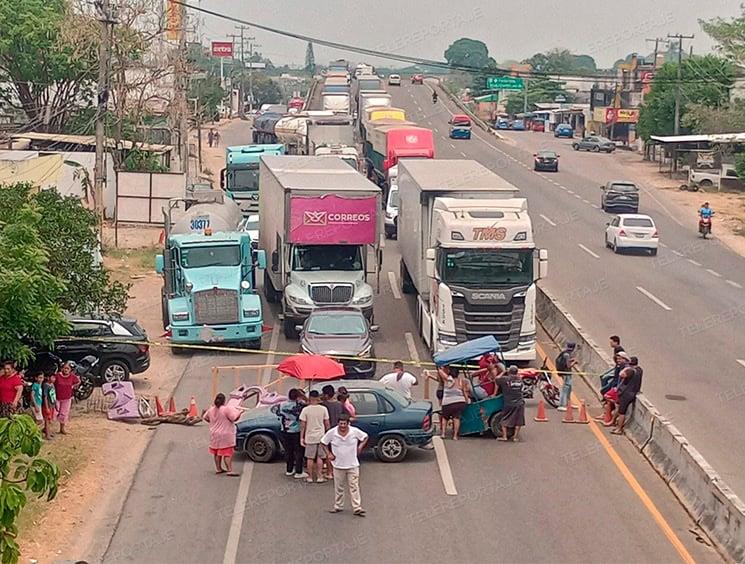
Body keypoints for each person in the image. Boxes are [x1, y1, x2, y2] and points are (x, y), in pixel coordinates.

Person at [321, 413, 368, 517]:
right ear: (338, 423)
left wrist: (360, 447)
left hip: (352, 464)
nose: (342, 426)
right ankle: (338, 506)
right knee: (339, 487)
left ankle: (357, 507)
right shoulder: (332, 432)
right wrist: (328, 453)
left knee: (354, 486)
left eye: (344, 424)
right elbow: (323, 442)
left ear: (348, 423)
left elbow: (365, 437)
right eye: (341, 424)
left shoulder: (354, 431)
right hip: (338, 465)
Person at [203, 393, 244, 476]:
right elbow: (234, 418)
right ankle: (229, 470)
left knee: (217, 452)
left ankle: (218, 468)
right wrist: (240, 412)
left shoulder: (211, 409)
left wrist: (212, 423)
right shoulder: (226, 409)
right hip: (225, 435)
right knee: (227, 452)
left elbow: (205, 417)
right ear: (224, 401)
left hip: (214, 434)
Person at [272, 388, 307, 479]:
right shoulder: (300, 405)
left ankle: (289, 469)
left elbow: (275, 411)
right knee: (298, 451)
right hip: (296, 431)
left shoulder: (282, 405)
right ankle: (298, 471)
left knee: (288, 451)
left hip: (285, 430)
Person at [299, 390, 330, 483]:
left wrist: (301, 437)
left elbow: (303, 425)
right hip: (321, 436)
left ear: (310, 398)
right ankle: (320, 476)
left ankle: (310, 477)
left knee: (310, 458)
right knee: (320, 457)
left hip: (310, 436)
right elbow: (327, 423)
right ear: (318, 398)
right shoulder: (323, 409)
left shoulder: (305, 410)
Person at [495, 366, 526, 442]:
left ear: (509, 372)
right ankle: (515, 437)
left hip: (509, 403)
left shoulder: (505, 379)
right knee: (518, 420)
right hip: (519, 403)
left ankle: (504, 436)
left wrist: (503, 372)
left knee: (504, 418)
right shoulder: (520, 380)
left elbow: (496, 379)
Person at [438, 367, 469, 440]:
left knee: (445, 418)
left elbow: (441, 373)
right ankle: (455, 436)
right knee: (456, 418)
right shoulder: (461, 381)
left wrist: (439, 368)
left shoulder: (447, 380)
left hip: (447, 403)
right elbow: (464, 392)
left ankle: (443, 433)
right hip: (459, 402)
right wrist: (466, 400)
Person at [321, 385, 344, 479]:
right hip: (339, 430)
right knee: (338, 452)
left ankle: (330, 472)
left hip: (328, 431)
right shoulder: (339, 404)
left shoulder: (324, 405)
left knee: (329, 453)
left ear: (326, 395)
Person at [612, 367, 641, 434]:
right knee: (619, 409)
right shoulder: (638, 371)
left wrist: (625, 369)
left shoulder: (631, 371)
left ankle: (619, 429)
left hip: (626, 395)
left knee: (622, 412)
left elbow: (621, 374)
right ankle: (616, 426)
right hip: (630, 393)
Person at [54, 362, 80, 435]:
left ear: (70, 370)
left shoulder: (72, 376)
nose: (66, 370)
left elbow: (78, 381)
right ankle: (47, 428)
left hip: (67, 398)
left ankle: (62, 429)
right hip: (57, 398)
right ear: (62, 368)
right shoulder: (57, 376)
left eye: (67, 368)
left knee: (64, 414)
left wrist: (73, 386)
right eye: (64, 368)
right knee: (54, 413)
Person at [556, 343, 577, 411]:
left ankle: (568, 403)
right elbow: (568, 366)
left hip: (565, 373)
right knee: (565, 389)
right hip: (566, 374)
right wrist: (574, 363)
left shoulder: (564, 353)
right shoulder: (567, 355)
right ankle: (562, 405)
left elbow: (565, 362)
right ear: (573, 348)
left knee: (569, 389)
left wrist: (571, 360)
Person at [42, 373, 57, 440]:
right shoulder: (46, 385)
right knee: (47, 420)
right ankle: (47, 435)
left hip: (52, 404)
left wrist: (55, 404)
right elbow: (45, 397)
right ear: (48, 377)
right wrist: (47, 407)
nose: (54, 379)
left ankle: (46, 431)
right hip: (47, 405)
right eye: (52, 377)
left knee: (49, 419)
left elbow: (54, 395)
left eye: (54, 378)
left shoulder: (52, 385)